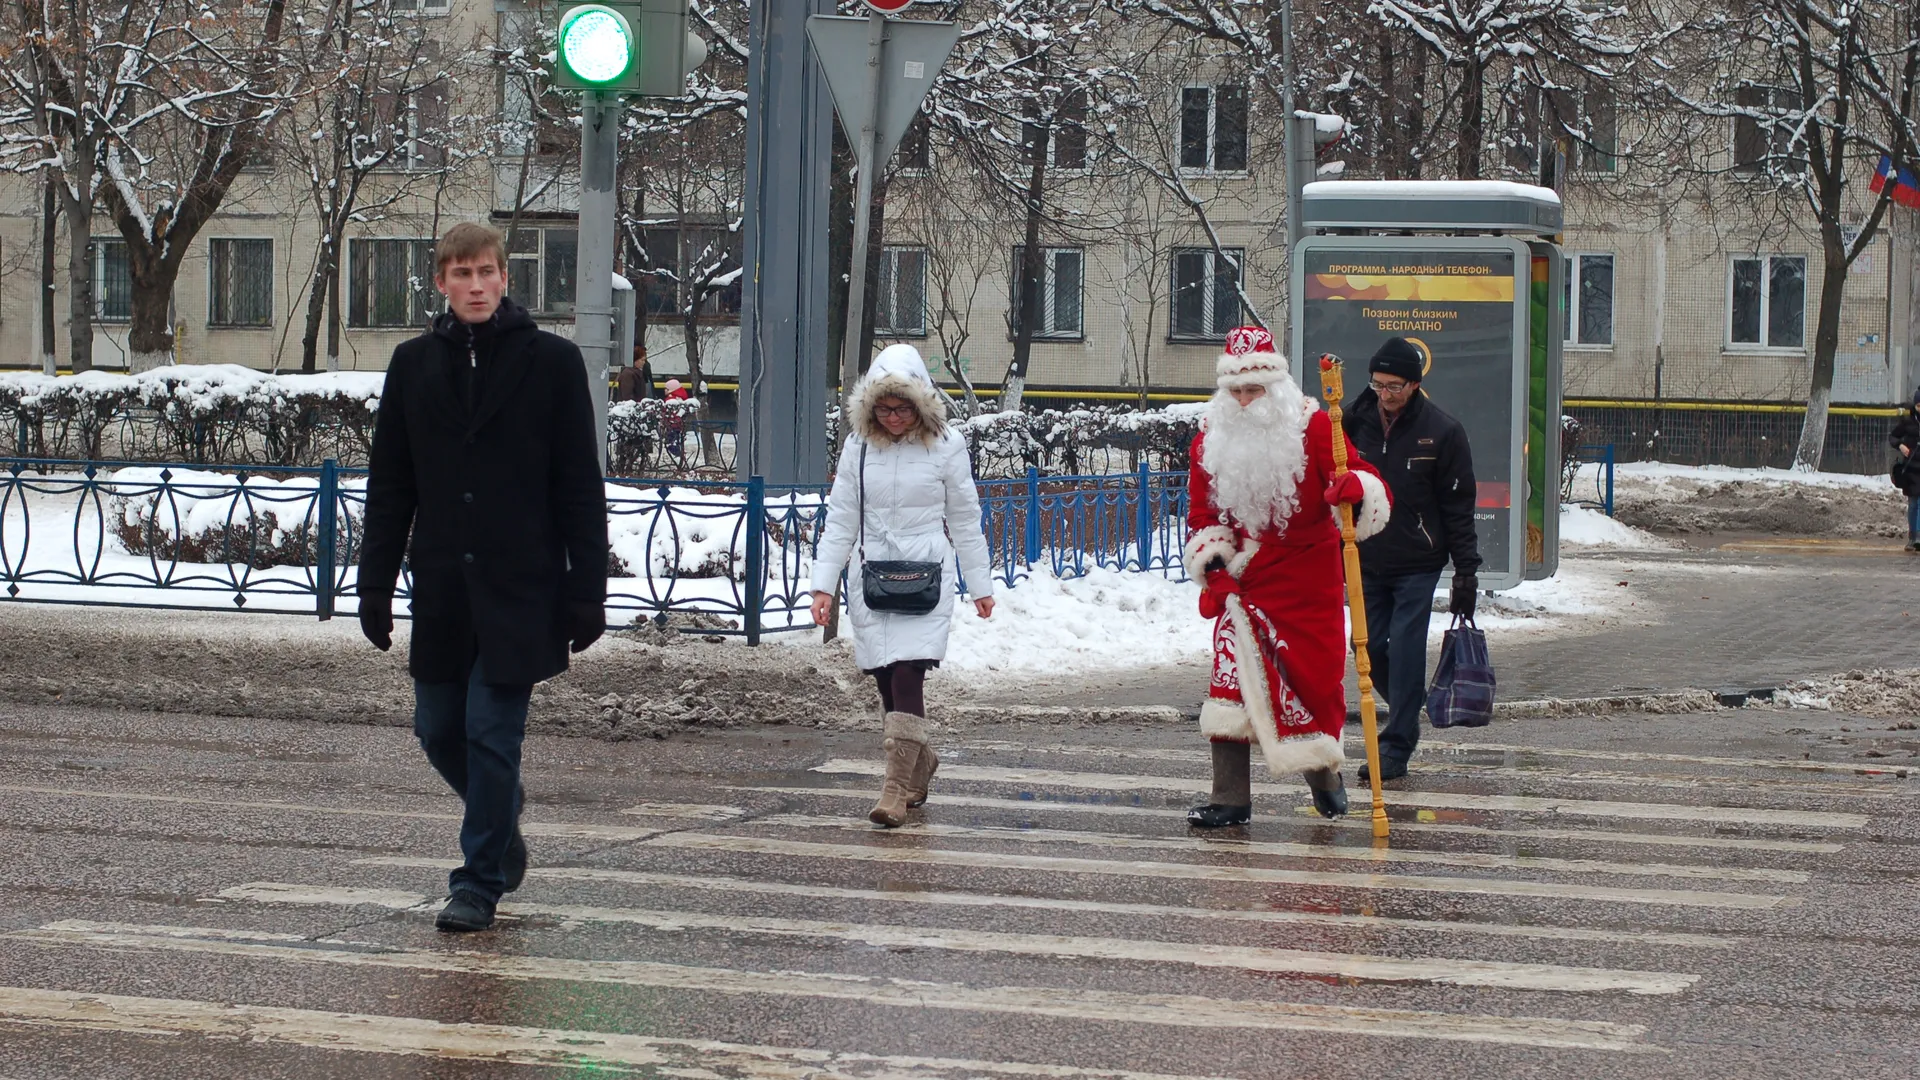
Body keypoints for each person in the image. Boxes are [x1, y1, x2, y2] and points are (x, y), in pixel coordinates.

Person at [357, 222, 609, 932]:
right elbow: (391, 481)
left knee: (491, 734)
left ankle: (478, 881)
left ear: (505, 279)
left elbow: (578, 485)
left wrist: (587, 588)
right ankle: (499, 815)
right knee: (438, 729)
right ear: (440, 281)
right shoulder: (412, 365)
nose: (474, 285)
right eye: (460, 273)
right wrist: (374, 582)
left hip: (522, 587)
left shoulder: (552, 364)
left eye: (486, 273)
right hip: (442, 587)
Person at [1184, 326, 1390, 827]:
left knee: (1309, 685)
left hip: (1306, 576)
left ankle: (1323, 774)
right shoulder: (1210, 438)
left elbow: (1365, 482)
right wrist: (1214, 568)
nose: (1244, 401)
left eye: (1254, 390)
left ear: (1276, 388)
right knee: (1229, 683)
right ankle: (1229, 797)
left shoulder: (1316, 429)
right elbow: (1201, 514)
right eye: (1235, 391)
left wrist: (1354, 490)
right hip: (1245, 579)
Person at [808, 344, 995, 827]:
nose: (893, 417)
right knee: (886, 680)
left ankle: (894, 789)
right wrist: (822, 584)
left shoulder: (946, 445)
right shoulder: (858, 447)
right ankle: (920, 760)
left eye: (903, 407)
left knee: (909, 672)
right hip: (872, 580)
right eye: (885, 408)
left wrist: (980, 584)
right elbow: (842, 518)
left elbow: (965, 519)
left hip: (926, 577)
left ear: (922, 405)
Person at [1340, 336, 1480, 782]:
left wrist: (1466, 574)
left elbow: (1458, 507)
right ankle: (1409, 703)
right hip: (1367, 556)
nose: (1385, 394)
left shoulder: (1442, 431)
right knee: (1366, 647)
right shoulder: (1351, 422)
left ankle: (1396, 745)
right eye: (1378, 384)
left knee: (1403, 648)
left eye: (1394, 385)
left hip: (1419, 560)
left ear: (1415, 384)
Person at [1891, 388, 1920, 551]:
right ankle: (1912, 537)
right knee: (1914, 503)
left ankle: (1918, 537)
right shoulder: (1907, 422)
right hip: (1910, 468)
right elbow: (1892, 437)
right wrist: (1900, 446)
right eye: (1918, 405)